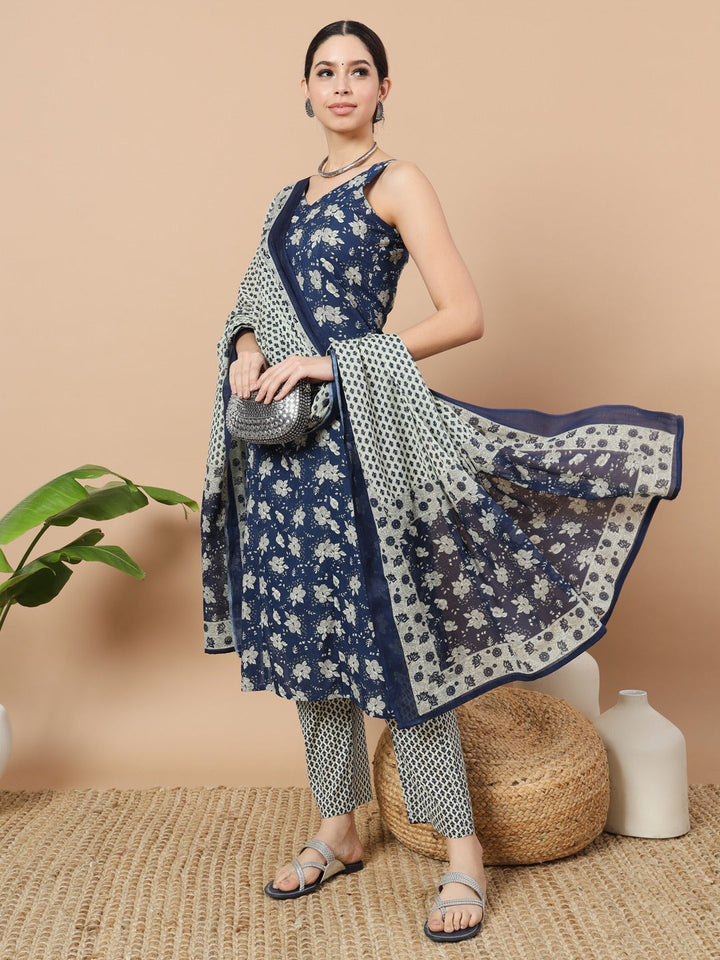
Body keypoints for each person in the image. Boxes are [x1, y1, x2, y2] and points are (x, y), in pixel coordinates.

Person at [201, 20, 683, 943]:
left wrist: (331, 362)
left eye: (360, 71)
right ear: (304, 90)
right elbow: (250, 307)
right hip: (284, 456)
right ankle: (339, 828)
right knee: (311, 645)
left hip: (365, 447)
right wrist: (248, 349)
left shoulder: (397, 182)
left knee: (396, 646)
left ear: (384, 90)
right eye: (325, 72)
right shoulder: (284, 202)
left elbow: (464, 314)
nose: (342, 85)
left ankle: (462, 853)